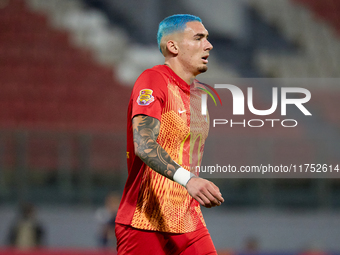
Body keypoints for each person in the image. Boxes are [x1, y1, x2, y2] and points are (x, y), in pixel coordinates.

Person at [115, 14, 224, 255]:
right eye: (198, 38)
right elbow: (143, 145)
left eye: (207, 38)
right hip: (145, 219)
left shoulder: (200, 96)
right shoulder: (153, 80)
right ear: (173, 46)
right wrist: (190, 180)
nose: (209, 45)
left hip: (188, 219)